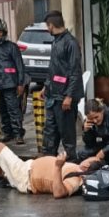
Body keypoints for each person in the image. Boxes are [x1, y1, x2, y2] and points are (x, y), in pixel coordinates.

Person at [0, 141, 99, 198]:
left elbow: (59, 193)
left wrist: (58, 166)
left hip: (25, 176)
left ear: (87, 167)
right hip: (29, 166)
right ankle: (3, 176)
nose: (87, 159)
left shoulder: (77, 179)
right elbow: (99, 159)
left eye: (89, 160)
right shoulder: (77, 168)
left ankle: (0, 177)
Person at [42, 10, 83, 161]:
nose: (48, 29)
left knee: (67, 137)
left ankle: (72, 168)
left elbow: (75, 72)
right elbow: (53, 68)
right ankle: (47, 165)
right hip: (53, 96)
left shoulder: (70, 43)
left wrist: (69, 96)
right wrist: (46, 86)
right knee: (50, 135)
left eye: (47, 26)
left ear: (51, 25)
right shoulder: (56, 42)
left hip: (65, 98)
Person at [0, 17, 27, 143]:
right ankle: (8, 133)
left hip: (11, 84)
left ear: (4, 32)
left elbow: (20, 66)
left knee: (14, 109)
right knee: (2, 111)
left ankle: (18, 134)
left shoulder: (12, 47)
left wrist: (20, 83)